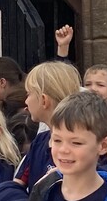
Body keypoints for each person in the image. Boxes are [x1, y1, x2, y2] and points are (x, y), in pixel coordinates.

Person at [14, 61, 81, 191]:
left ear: (44, 100)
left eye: (28, 94)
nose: (26, 101)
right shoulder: (39, 141)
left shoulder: (79, 148)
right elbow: (18, 184)